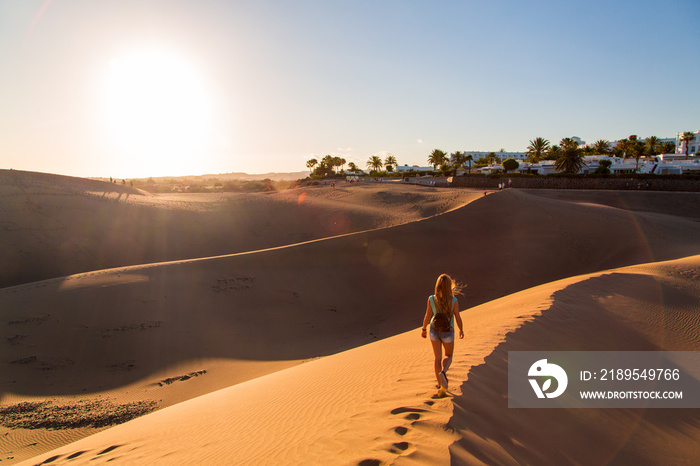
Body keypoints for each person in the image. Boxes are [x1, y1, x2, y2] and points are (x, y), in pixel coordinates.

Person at [421, 274, 464, 397]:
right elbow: (457, 317)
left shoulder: (431, 299)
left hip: (434, 330)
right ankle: (444, 372)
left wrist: (424, 329)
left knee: (437, 358)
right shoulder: (454, 301)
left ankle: (440, 386)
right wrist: (461, 330)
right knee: (448, 355)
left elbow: (427, 315)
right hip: (448, 331)